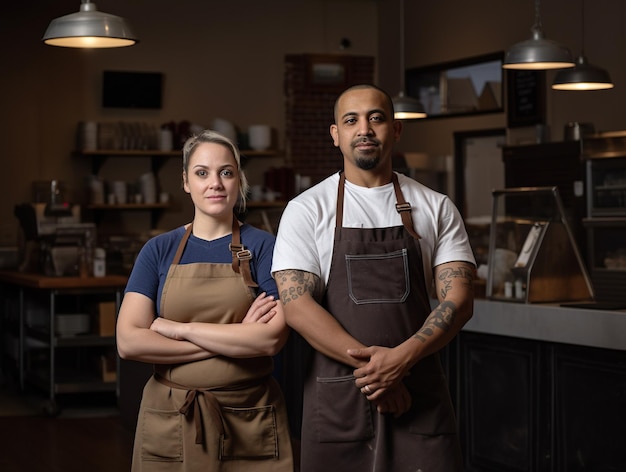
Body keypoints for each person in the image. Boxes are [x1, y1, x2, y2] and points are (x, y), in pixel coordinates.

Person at [272, 84, 476, 471]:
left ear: (395, 130)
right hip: (341, 399)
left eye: (376, 118)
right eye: (351, 120)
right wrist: (379, 373)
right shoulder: (306, 210)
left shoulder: (435, 206)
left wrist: (400, 361)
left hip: (418, 394)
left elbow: (459, 301)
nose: (364, 128)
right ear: (336, 134)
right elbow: (297, 306)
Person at [116, 129, 294, 471]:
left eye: (226, 172)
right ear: (186, 181)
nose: (215, 183)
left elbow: (271, 339)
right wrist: (235, 337)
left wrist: (177, 329)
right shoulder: (158, 250)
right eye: (202, 173)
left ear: (238, 179)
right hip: (171, 416)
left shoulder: (265, 248)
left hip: (248, 415)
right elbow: (128, 342)